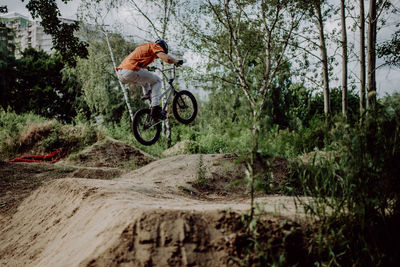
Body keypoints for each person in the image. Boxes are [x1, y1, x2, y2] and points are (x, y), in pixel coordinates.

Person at [116, 40, 183, 119]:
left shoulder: (144, 48)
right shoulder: (155, 46)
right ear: (161, 47)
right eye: (160, 53)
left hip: (121, 74)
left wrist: (150, 68)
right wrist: (176, 61)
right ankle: (155, 107)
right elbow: (166, 58)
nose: (157, 57)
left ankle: (150, 102)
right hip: (130, 70)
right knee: (157, 81)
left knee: (145, 83)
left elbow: (140, 64)